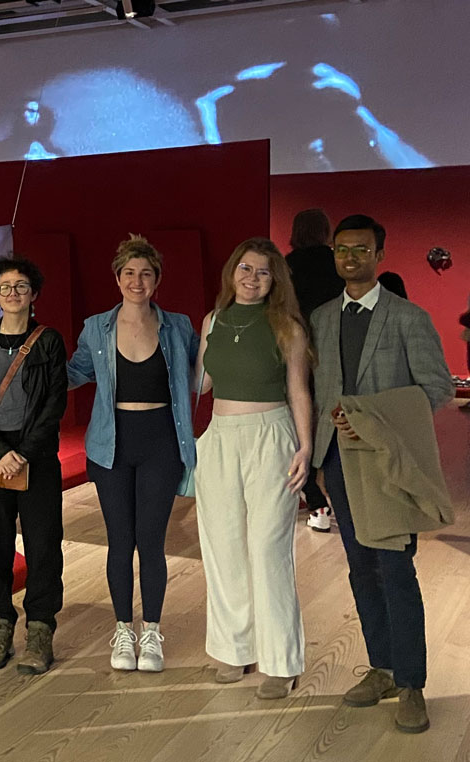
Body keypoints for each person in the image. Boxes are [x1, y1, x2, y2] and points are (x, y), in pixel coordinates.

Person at [312, 214, 453, 733]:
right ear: (334, 255)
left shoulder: (408, 319)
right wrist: (317, 461)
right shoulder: (323, 318)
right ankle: (383, 668)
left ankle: (412, 683)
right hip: (338, 463)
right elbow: (321, 387)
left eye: (362, 250)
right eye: (342, 249)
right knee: (360, 567)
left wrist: (374, 419)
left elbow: (436, 388)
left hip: (387, 463)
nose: (351, 257)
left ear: (380, 256)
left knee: (396, 569)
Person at [66, 236, 198, 673]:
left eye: (145, 273)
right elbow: (73, 373)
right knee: (120, 541)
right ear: (117, 278)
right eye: (128, 273)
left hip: (161, 440)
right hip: (111, 444)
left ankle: (152, 631)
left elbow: (201, 378)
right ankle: (124, 630)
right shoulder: (96, 327)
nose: (136, 281)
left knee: (152, 541)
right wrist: (33, 361)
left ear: (157, 279)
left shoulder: (178, 326)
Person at [194, 238, 311, 700]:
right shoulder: (213, 321)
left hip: (271, 435)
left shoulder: (287, 327)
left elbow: (299, 390)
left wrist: (305, 447)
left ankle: (281, 663)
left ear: (274, 280)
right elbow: (199, 383)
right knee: (222, 547)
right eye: (245, 268)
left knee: (267, 549)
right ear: (232, 272)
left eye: (263, 272)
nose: (252, 277)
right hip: (220, 438)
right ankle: (232, 650)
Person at [0, 256, 68, 675]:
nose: (12, 294)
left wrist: (23, 451)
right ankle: (0, 627)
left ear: (34, 294)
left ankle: (40, 631)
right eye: (5, 287)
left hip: (36, 459)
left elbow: (54, 402)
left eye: (21, 286)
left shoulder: (49, 342)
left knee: (43, 546)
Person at [284, 208, 342, 532]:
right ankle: (335, 491)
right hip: (332, 355)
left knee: (297, 423)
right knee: (329, 421)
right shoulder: (337, 266)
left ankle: (314, 498)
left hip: (292, 351)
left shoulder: (286, 267)